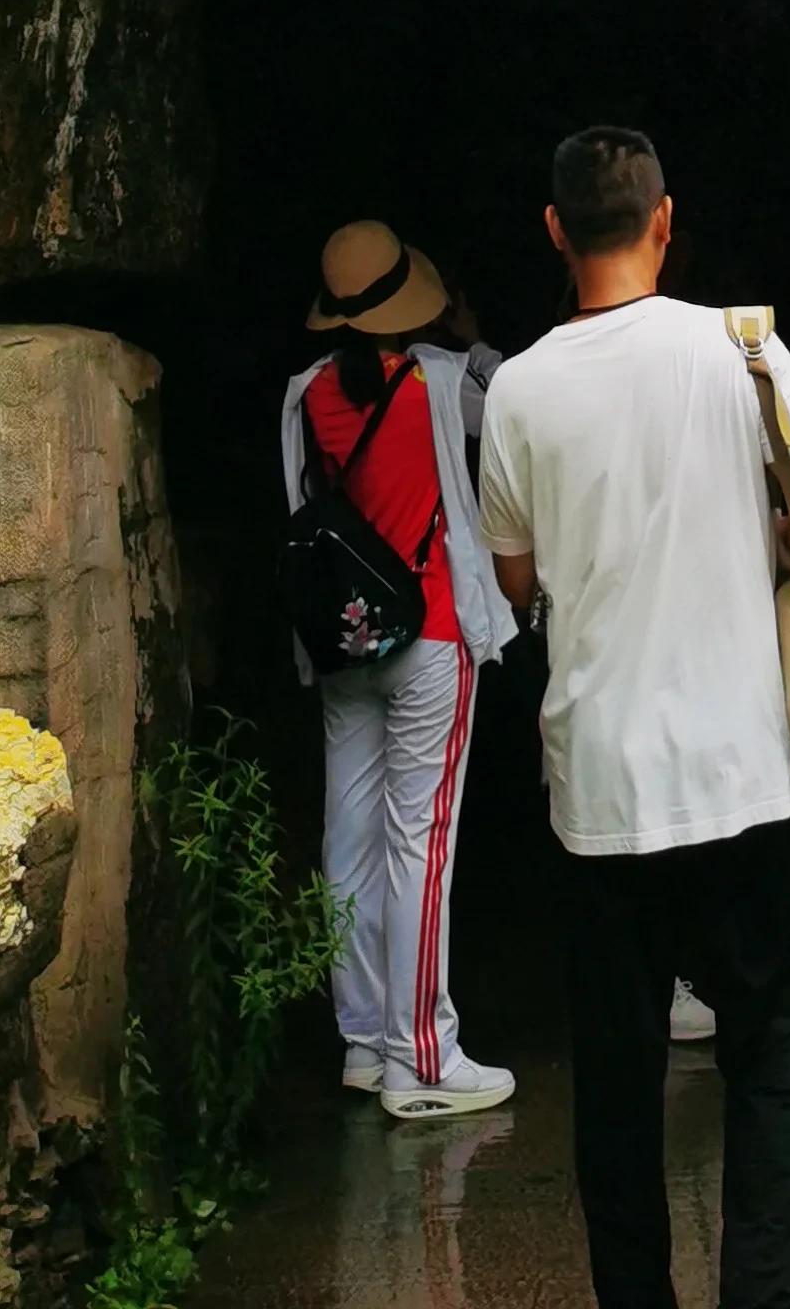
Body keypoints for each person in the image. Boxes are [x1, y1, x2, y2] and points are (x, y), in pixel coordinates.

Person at [478, 129, 790, 1309]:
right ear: (663, 221)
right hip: (747, 770)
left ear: (553, 230)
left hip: (600, 788)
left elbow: (516, 582)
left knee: (617, 1083)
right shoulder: (744, 347)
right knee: (770, 1060)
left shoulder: (520, 388)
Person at [281, 219, 519, 1120]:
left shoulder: (303, 396)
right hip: (430, 635)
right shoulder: (444, 382)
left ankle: (363, 1042)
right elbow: (515, 391)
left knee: (349, 837)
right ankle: (424, 1053)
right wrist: (463, 328)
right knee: (421, 843)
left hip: (345, 639)